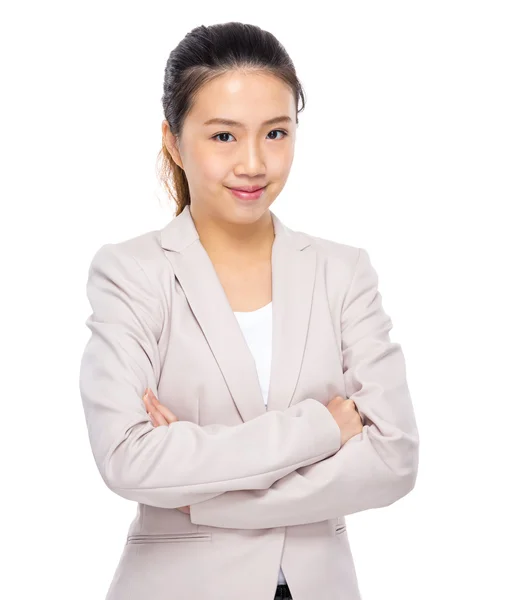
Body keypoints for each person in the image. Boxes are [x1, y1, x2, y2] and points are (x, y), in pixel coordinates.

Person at [79, 21, 420, 600]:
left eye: (276, 132)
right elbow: (128, 458)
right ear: (173, 141)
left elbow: (394, 457)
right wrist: (322, 427)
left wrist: (203, 492)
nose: (255, 163)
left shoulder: (343, 272)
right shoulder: (133, 273)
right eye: (223, 137)